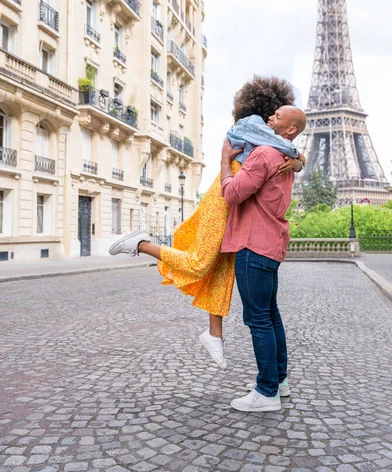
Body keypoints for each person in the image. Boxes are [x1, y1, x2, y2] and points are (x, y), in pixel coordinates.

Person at [109, 77, 305, 369]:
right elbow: (278, 147)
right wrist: (296, 155)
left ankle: (215, 334)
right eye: (275, 112)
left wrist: (298, 159)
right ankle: (142, 243)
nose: (271, 118)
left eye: (276, 115)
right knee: (202, 262)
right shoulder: (251, 126)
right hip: (224, 196)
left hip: (239, 202)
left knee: (223, 266)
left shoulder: (269, 141)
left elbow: (280, 148)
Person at [219, 105, 307, 412]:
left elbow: (231, 194)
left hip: (252, 244)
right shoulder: (285, 156)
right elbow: (297, 163)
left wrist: (225, 162)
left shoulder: (263, 155)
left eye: (278, 117)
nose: (270, 117)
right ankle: (279, 381)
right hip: (271, 245)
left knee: (258, 319)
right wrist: (298, 162)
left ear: (290, 129)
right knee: (271, 315)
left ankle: (266, 392)